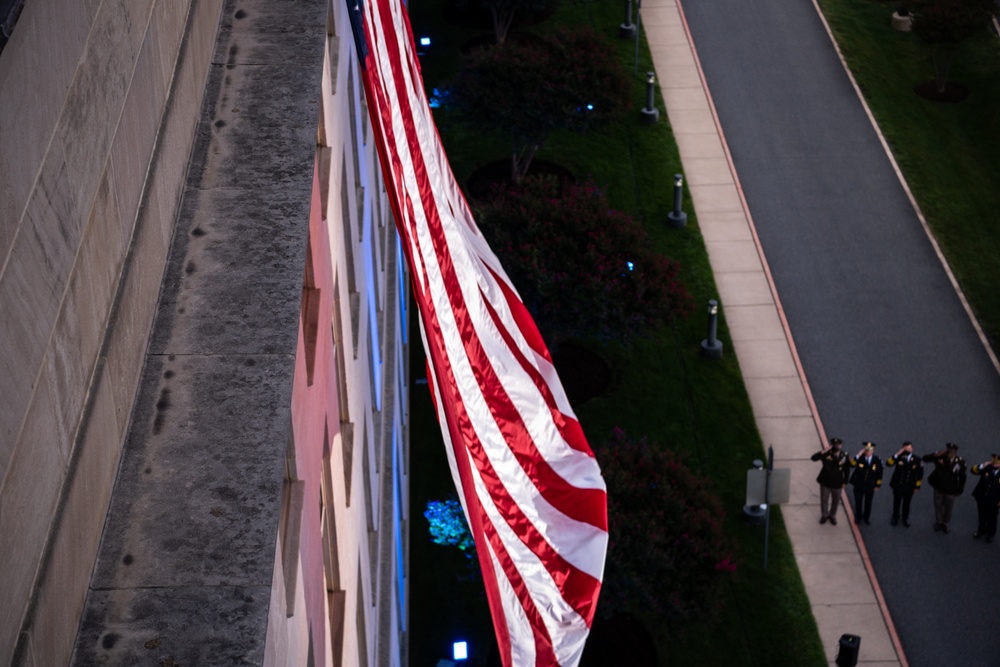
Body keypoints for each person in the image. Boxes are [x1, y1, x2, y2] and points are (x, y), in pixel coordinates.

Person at [922, 443, 967, 534]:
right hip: (939, 486)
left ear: (955, 451)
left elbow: (962, 476)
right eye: (949, 450)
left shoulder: (960, 462)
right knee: (938, 505)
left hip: (951, 489)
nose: (950, 452)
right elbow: (925, 459)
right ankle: (939, 521)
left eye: (952, 451)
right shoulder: (940, 457)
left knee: (948, 507)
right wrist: (935, 454)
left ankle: (946, 523)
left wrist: (960, 488)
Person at [811, 437, 851, 525]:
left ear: (841, 445)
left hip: (837, 483)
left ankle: (832, 515)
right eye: (834, 445)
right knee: (824, 499)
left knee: (836, 501)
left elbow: (847, 470)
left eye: (838, 445)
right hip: (825, 481)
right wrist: (824, 451)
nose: (836, 447)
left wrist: (845, 481)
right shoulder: (826, 454)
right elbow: (813, 458)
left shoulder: (844, 456)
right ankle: (824, 515)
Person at [886, 441, 923, 527]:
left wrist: (917, 486)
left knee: (907, 503)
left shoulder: (917, 460)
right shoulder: (899, 457)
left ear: (912, 449)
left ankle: (905, 517)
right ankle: (895, 516)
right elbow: (888, 463)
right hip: (898, 484)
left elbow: (920, 474)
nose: (908, 450)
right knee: (897, 502)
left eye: (909, 448)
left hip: (909, 486)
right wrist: (897, 454)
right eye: (905, 448)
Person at [850, 441, 883, 525]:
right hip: (859, 485)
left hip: (870, 486)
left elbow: (879, 473)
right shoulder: (859, 458)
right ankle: (858, 517)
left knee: (868, 503)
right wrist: (858, 454)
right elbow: (852, 464)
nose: (867, 452)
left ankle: (866, 517)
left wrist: (877, 485)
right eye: (866, 450)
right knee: (858, 502)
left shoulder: (877, 460)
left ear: (873, 450)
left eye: (869, 450)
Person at [970, 454, 1000, 543]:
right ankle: (981, 530)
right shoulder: (988, 467)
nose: (994, 465)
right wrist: (983, 465)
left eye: (997, 464)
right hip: (982, 497)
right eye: (993, 463)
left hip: (994, 500)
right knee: (982, 515)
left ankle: (991, 533)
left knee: (992, 518)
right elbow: (973, 470)